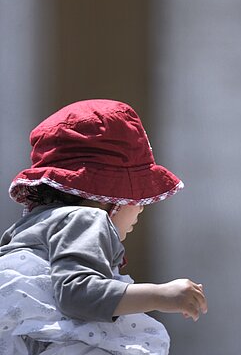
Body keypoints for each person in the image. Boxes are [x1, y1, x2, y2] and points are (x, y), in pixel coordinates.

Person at [0, 99, 208, 354]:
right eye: (138, 197)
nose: (141, 207)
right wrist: (161, 295)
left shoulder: (28, 226)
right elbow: (77, 294)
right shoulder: (86, 219)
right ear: (107, 197)